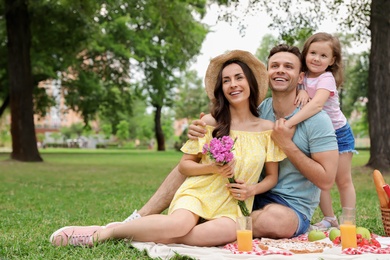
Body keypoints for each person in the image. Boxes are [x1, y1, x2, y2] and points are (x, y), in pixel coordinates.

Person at [50, 50, 286, 247]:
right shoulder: (208, 124)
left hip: (234, 205)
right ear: (221, 88)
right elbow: (185, 166)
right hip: (198, 193)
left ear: (250, 83)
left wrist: (251, 190)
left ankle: (142, 230)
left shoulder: (267, 129)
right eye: (226, 80)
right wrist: (213, 168)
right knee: (178, 225)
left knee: (205, 236)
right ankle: (106, 232)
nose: (233, 84)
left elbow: (272, 177)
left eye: (239, 78)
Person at [104, 44, 339, 239]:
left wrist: (287, 144)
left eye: (288, 67)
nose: (280, 71)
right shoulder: (262, 110)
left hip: (288, 205)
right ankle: (141, 218)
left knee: (273, 221)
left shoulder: (317, 120)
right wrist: (202, 125)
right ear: (266, 73)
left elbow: (327, 181)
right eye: (275, 66)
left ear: (300, 77)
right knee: (187, 165)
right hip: (240, 193)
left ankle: (179, 228)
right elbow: (232, 116)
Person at [287, 32, 357, 230]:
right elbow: (296, 92)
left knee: (342, 180)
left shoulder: (326, 78)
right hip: (317, 136)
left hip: (338, 133)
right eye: (313, 53)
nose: (316, 59)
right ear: (305, 54)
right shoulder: (301, 76)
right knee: (319, 180)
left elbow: (317, 104)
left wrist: (290, 122)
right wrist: (300, 89)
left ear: (332, 60)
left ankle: (348, 222)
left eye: (323, 55)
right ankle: (329, 219)